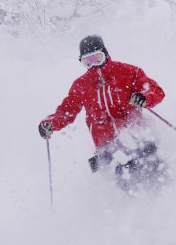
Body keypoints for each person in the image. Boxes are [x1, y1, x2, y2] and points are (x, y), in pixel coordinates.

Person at [38, 35, 167, 194]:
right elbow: (67, 110)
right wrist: (50, 123)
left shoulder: (128, 72)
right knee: (118, 175)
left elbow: (156, 91)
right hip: (107, 145)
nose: (93, 65)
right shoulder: (81, 85)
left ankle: (166, 193)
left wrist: (144, 97)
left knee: (152, 162)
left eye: (97, 58)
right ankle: (129, 208)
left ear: (105, 54)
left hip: (135, 134)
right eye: (87, 61)